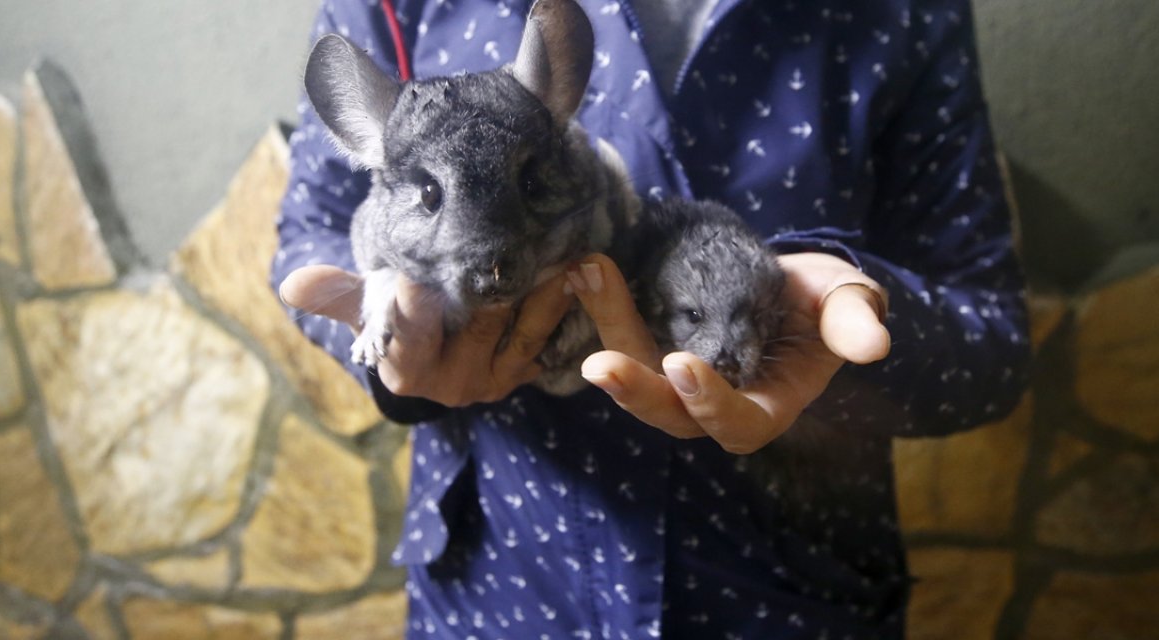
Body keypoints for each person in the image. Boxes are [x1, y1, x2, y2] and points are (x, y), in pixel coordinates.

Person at [273, 0, 1031, 637]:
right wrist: (398, 352)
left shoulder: (900, 13)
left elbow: (990, 339)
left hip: (776, 592)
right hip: (506, 581)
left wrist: (828, 327)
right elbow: (312, 230)